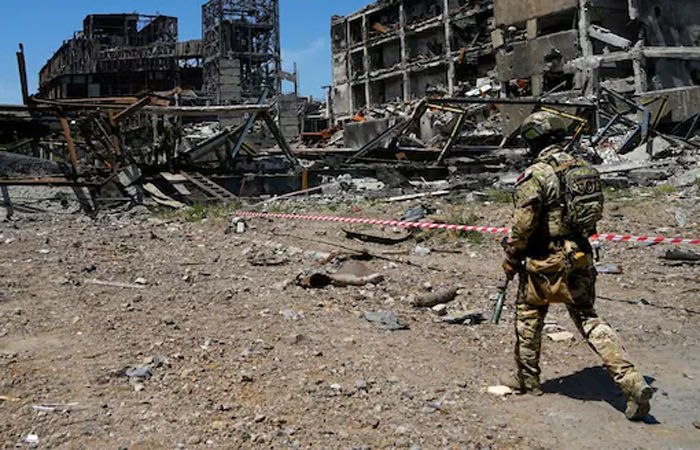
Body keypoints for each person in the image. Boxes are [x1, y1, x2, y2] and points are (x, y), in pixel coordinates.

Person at [500, 111, 652, 421]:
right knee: (588, 317)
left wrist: (511, 257)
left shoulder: (536, 174)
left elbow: (523, 225)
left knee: (528, 315)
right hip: (580, 255)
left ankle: (527, 380)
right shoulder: (583, 169)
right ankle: (631, 380)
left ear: (533, 140)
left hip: (545, 260)